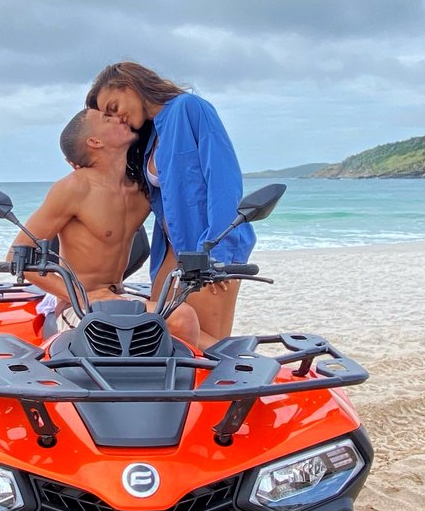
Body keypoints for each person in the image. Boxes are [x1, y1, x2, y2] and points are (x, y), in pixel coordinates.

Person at [85, 62, 254, 346]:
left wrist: (219, 254)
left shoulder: (189, 108)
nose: (117, 118)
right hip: (170, 252)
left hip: (208, 252)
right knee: (163, 340)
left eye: (113, 107)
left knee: (207, 348)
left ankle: (255, 381)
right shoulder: (150, 138)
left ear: (128, 85)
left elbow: (224, 181)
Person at [13, 107, 200, 345]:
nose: (120, 117)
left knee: (186, 319)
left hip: (118, 297)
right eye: (107, 118)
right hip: (77, 306)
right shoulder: (74, 188)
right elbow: (17, 256)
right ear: (95, 141)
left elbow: (182, 224)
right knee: (174, 319)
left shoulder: (141, 192)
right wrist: (81, 296)